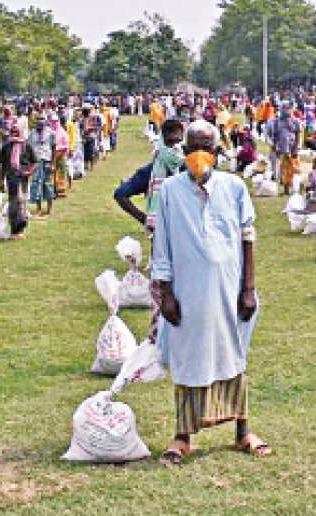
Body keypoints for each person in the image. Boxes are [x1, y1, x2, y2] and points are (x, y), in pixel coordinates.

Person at [151, 120, 269, 465]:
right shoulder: (170, 191)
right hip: (187, 293)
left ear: (217, 152)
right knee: (188, 359)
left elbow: (247, 237)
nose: (199, 154)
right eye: (193, 148)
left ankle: (243, 431)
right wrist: (166, 294)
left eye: (206, 148)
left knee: (233, 354)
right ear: (184, 151)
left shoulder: (234, 187)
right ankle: (182, 437)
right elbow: (161, 244)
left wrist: (248, 288)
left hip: (230, 290)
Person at [113, 119, 185, 228]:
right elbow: (120, 194)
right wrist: (144, 219)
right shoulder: (150, 172)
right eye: (171, 142)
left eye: (178, 142)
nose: (174, 147)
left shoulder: (191, 168)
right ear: (163, 142)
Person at [0, 126, 37, 240]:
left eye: (16, 132)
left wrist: (29, 172)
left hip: (22, 179)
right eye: (12, 132)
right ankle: (13, 230)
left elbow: (34, 162)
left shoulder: (26, 146)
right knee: (13, 205)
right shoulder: (6, 146)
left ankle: (20, 230)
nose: (14, 134)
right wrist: (1, 181)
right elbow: (2, 165)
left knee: (21, 203)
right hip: (11, 179)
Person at [266, 102, 301, 193]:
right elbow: (267, 136)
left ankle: (287, 185)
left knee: (290, 168)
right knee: (276, 169)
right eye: (284, 108)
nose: (286, 111)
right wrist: (272, 145)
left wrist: (295, 149)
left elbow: (298, 136)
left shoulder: (296, 121)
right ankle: (276, 181)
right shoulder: (273, 121)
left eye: (288, 108)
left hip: (291, 149)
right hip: (277, 148)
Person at [27, 117, 56, 217]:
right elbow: (29, 149)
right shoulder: (31, 134)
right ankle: (38, 208)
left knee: (47, 184)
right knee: (36, 184)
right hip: (36, 162)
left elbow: (54, 147)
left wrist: (53, 163)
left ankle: (50, 208)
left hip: (47, 161)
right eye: (38, 120)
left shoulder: (51, 133)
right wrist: (29, 164)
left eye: (42, 119)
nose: (40, 122)